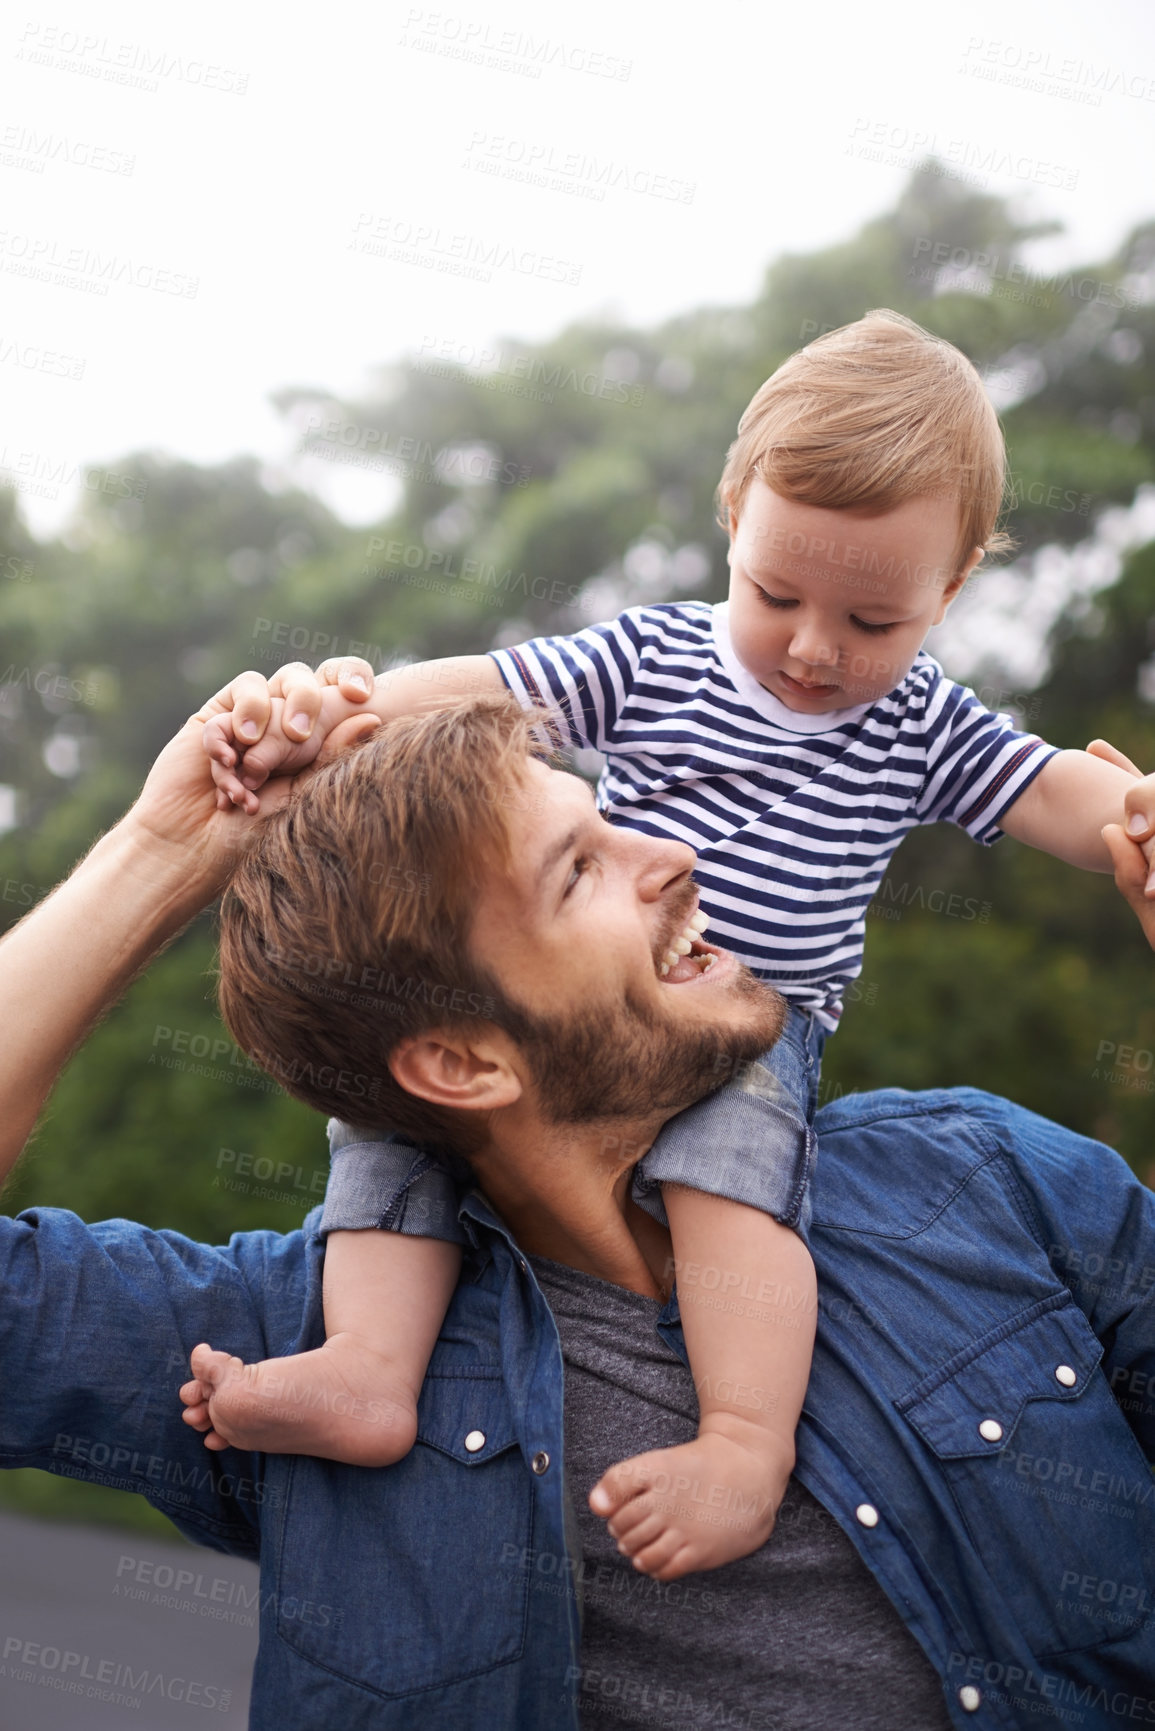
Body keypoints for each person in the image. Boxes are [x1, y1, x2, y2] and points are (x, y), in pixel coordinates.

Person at [196, 310, 1152, 1582]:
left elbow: (1048, 793)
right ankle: (371, 1369)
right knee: (398, 1119)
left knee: (733, 1181)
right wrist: (338, 706)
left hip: (751, 1020)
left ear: (956, 582)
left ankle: (744, 1444)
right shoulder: (655, 657)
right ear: (732, 517)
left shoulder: (922, 719)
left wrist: (1132, 816)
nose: (816, 650)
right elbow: (490, 685)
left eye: (874, 619)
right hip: (603, 987)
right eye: (778, 595)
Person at [2, 677, 1154, 1730]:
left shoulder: (990, 1180)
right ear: (461, 1064)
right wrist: (161, 851)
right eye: (580, 871)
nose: (677, 853)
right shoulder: (284, 1360)